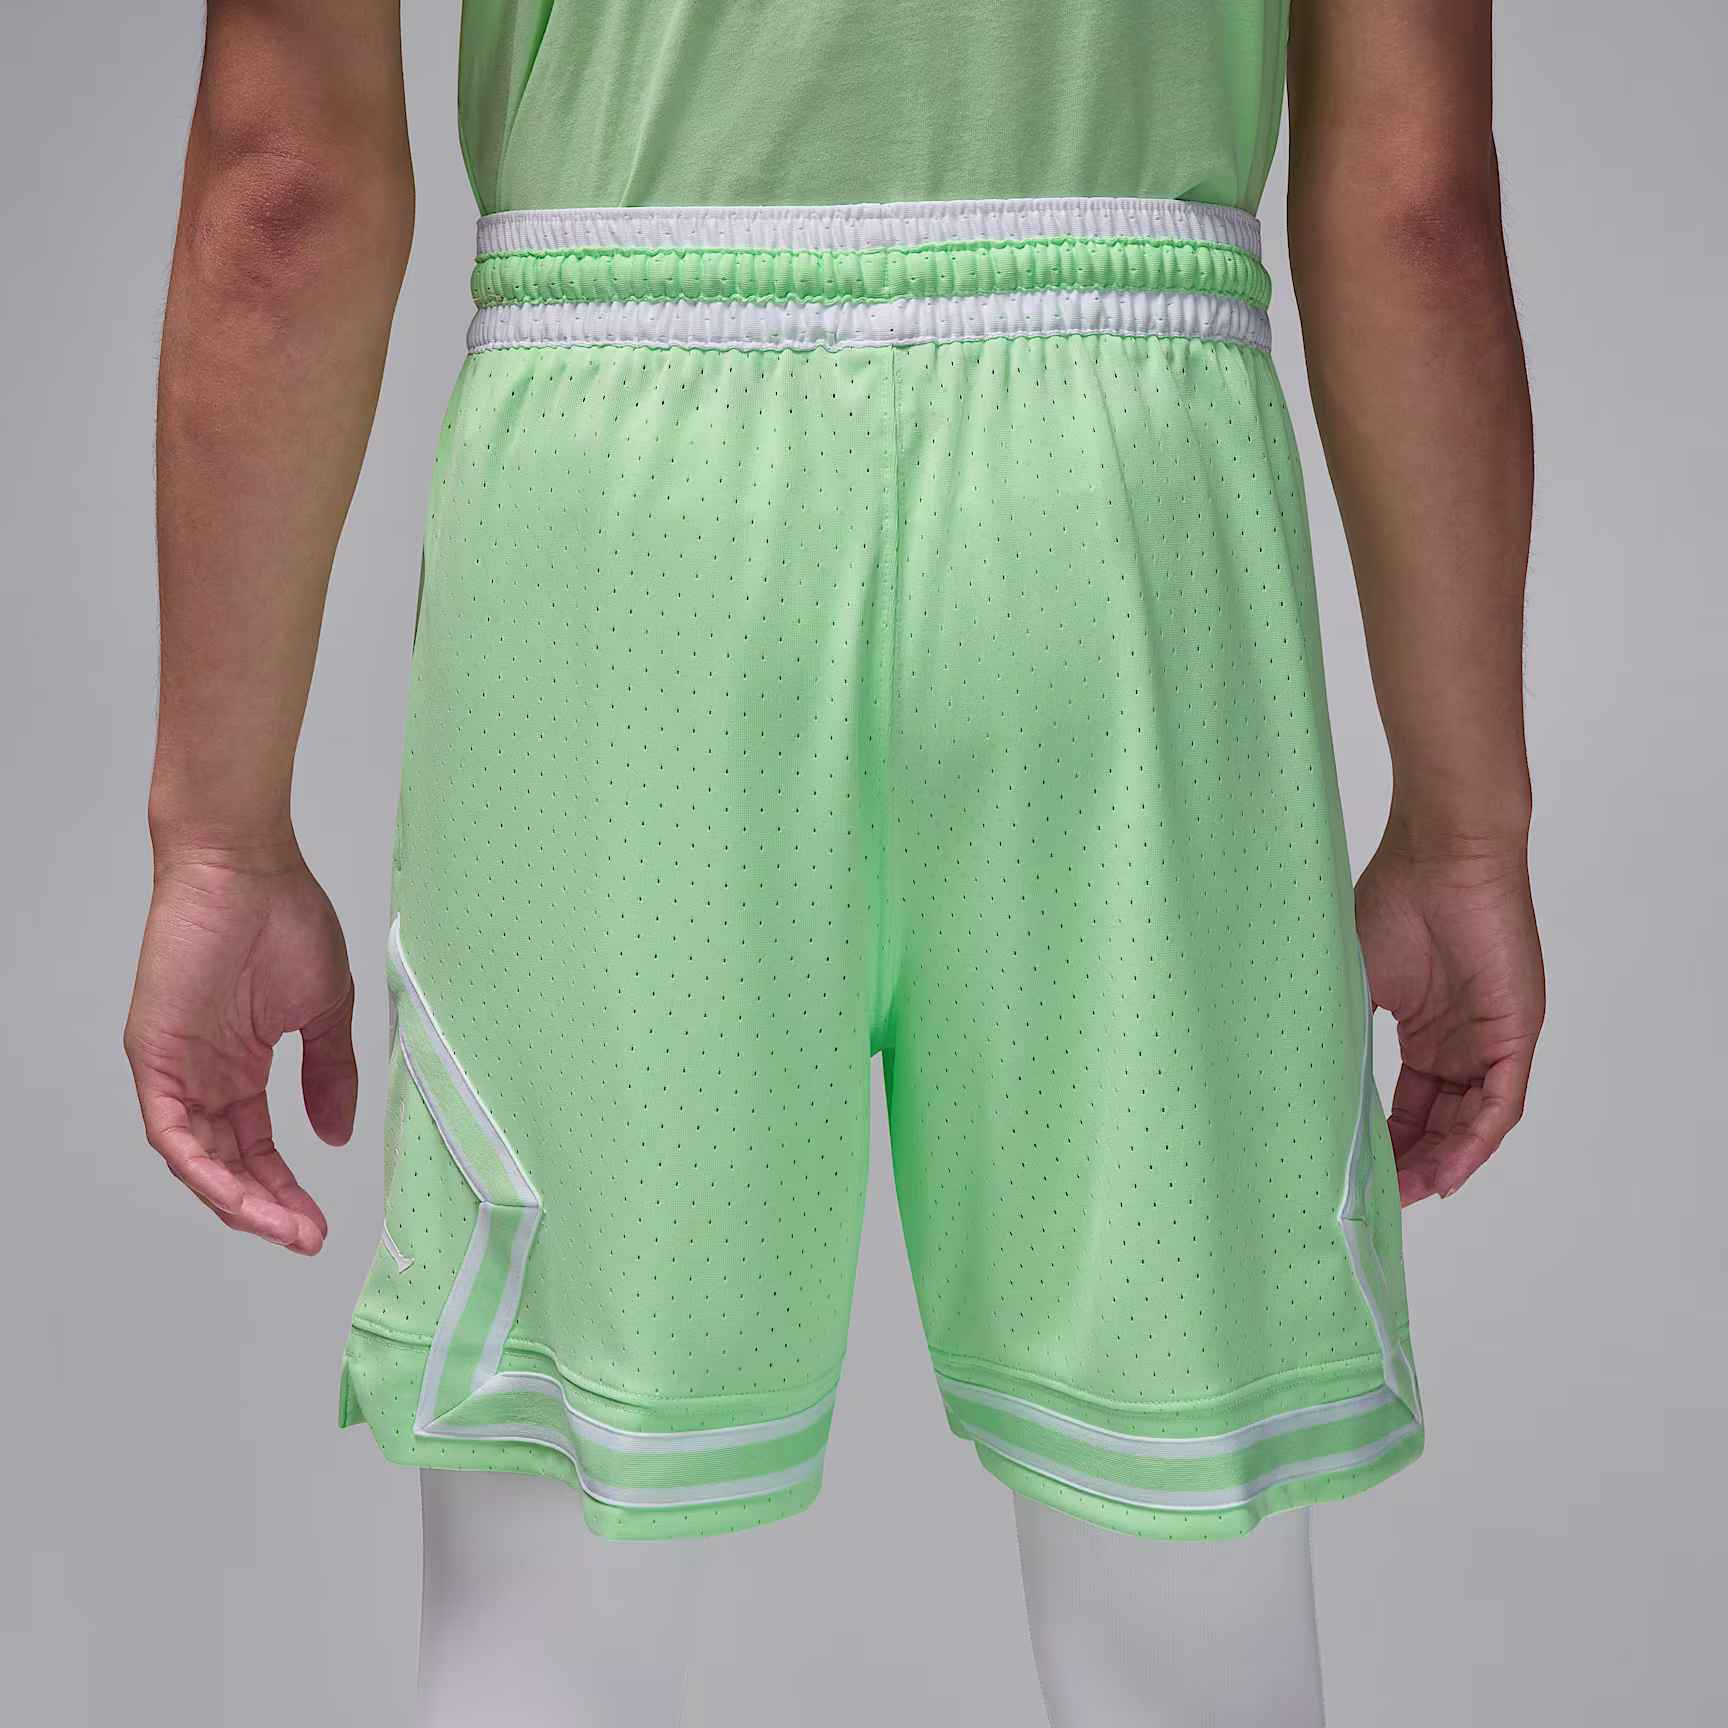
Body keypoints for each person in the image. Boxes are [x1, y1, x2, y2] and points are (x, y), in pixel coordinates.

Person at [123, 1, 1545, 1722]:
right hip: (1117, 513)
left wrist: (220, 840)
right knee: (1185, 1598)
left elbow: (286, 189)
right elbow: (1416, 206)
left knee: (553, 1612)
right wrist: (1466, 823)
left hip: (628, 529)